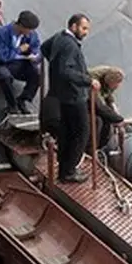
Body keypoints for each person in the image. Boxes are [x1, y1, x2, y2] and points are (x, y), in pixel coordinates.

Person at [40, 14, 98, 183]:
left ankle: (64, 167)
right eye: (83, 28)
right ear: (73, 27)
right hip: (73, 95)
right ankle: (69, 170)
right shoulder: (70, 46)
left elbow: (44, 48)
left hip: (61, 94)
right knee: (81, 132)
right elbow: (66, 71)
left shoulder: (60, 36)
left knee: (66, 130)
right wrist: (88, 80)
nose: (86, 32)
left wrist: (54, 68)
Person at [0, 10, 41, 114]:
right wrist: (18, 50)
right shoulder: (0, 34)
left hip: (21, 63)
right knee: (4, 75)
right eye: (28, 29)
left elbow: (37, 48)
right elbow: (1, 57)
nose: (30, 32)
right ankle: (12, 105)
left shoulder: (31, 34)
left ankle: (23, 99)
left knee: (37, 74)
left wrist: (34, 55)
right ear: (21, 26)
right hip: (2, 64)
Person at [88, 65, 132, 153]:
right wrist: (120, 120)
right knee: (98, 121)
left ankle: (99, 148)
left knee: (107, 122)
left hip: (95, 100)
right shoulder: (95, 81)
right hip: (83, 100)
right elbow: (99, 106)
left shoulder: (109, 76)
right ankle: (90, 150)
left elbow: (109, 97)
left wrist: (116, 113)